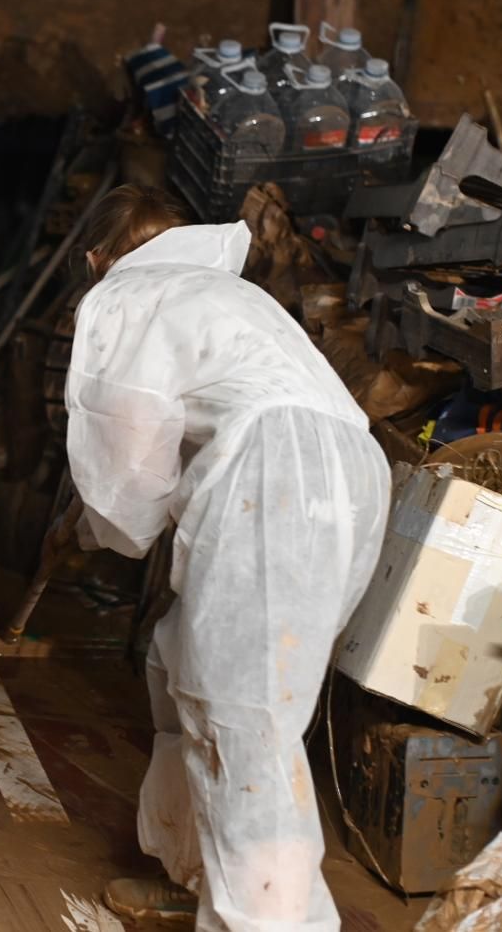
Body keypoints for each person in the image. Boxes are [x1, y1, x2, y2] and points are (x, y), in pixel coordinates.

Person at [64, 185, 390, 930]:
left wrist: (95, 530)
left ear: (97, 256)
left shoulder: (128, 294)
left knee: (243, 718)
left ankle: (272, 922)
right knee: (181, 661)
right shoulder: (225, 293)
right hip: (352, 471)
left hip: (279, 475)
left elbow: (130, 474)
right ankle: (195, 872)